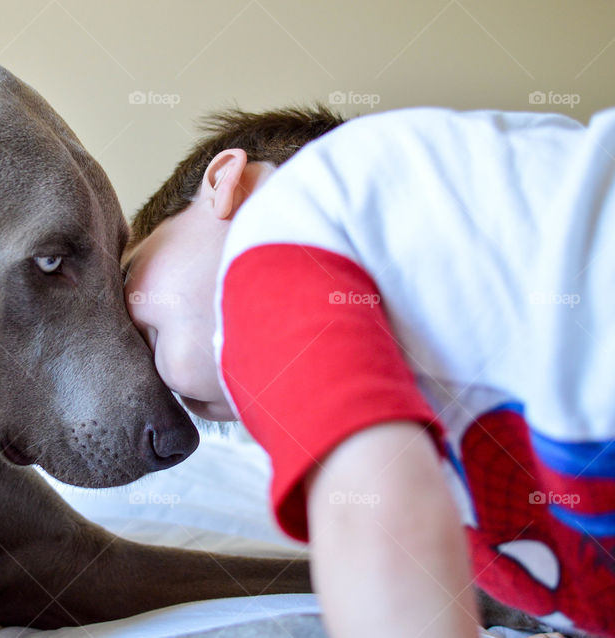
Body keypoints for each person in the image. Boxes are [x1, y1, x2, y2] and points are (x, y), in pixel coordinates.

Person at [122, 105, 615, 638]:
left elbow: (375, 519)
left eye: (131, 283)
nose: (134, 362)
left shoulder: (281, 229)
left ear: (225, 182)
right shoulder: (441, 396)